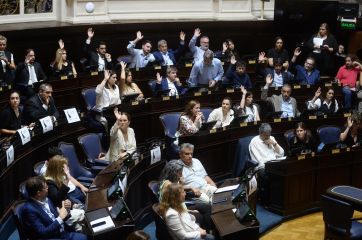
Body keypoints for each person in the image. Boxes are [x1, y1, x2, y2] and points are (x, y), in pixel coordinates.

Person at [21, 176, 88, 240]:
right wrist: (60, 218)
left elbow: (59, 217)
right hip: (52, 237)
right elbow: (43, 232)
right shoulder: (29, 210)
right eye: (46, 187)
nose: (48, 189)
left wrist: (66, 211)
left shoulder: (47, 199)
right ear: (39, 193)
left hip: (62, 232)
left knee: (87, 236)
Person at [159, 160, 212, 231]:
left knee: (206, 206)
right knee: (201, 214)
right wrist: (188, 211)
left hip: (179, 206)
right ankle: (207, 231)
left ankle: (207, 230)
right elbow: (173, 205)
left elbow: (177, 197)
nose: (181, 175)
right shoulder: (168, 185)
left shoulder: (167, 181)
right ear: (173, 172)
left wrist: (188, 186)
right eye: (179, 173)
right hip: (176, 211)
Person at [44, 155, 86, 231]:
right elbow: (57, 199)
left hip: (69, 207)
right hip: (61, 212)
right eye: (64, 168)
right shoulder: (49, 182)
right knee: (85, 216)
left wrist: (73, 205)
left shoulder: (57, 178)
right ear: (58, 170)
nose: (66, 170)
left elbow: (65, 197)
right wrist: (66, 181)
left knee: (87, 212)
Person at [249, 123, 284, 204]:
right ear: (260, 133)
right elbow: (259, 160)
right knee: (267, 175)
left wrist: (274, 144)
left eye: (269, 135)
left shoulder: (271, 138)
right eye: (266, 136)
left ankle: (279, 198)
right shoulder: (254, 142)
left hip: (274, 163)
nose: (268, 138)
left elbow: (282, 153)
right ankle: (267, 200)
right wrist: (272, 159)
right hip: (262, 167)